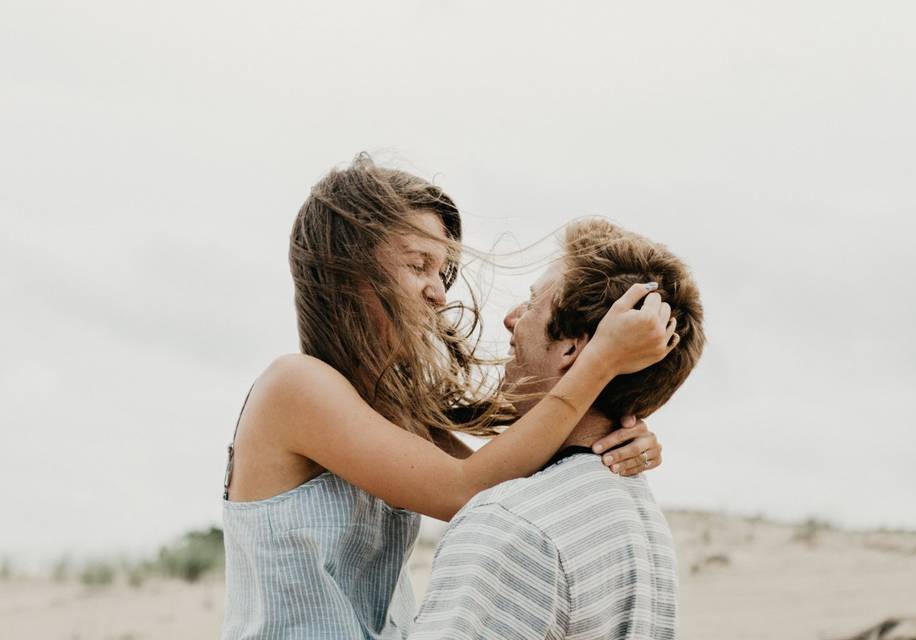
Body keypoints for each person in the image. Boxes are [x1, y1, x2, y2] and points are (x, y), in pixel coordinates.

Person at [221, 156, 678, 639]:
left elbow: (506, 478)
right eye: (419, 264)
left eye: (444, 271)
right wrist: (598, 362)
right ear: (347, 270)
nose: (439, 292)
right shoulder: (295, 387)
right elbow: (465, 488)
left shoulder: (395, 405)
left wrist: (608, 438)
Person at [409, 218, 706, 640]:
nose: (511, 319)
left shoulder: (511, 525)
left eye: (531, 303)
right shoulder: (646, 529)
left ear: (574, 348)